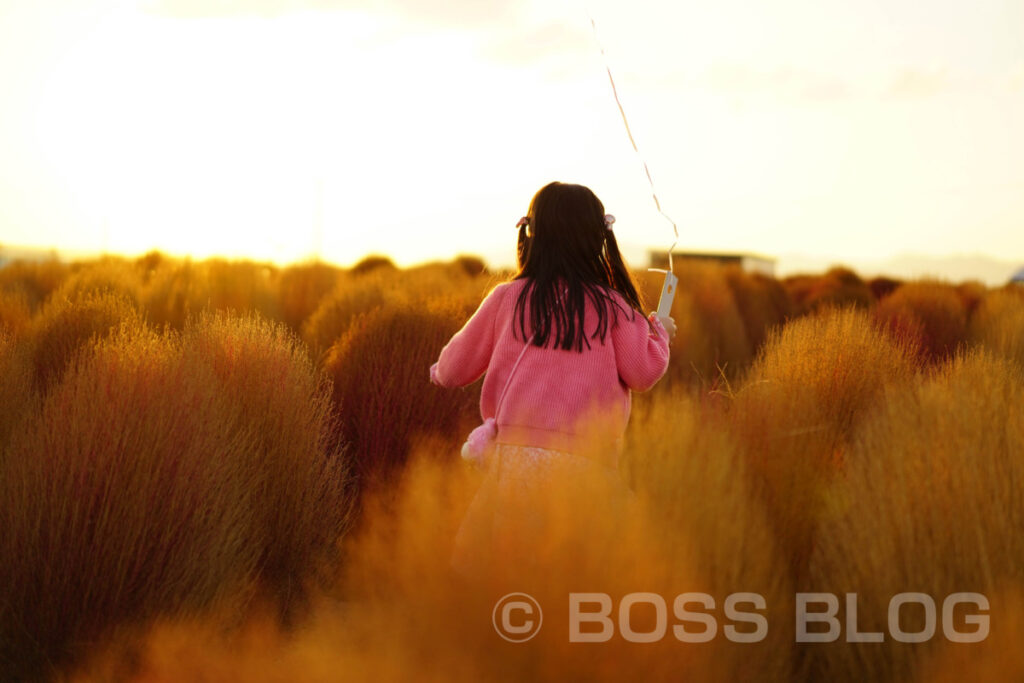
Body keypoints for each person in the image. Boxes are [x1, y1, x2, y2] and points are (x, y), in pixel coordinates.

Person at [429, 181, 675, 581]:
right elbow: (643, 373)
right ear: (599, 240)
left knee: (504, 573)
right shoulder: (614, 306)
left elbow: (454, 368)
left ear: (532, 234)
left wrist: (437, 371)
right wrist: (658, 334)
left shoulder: (507, 298)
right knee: (583, 575)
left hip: (516, 465)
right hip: (588, 468)